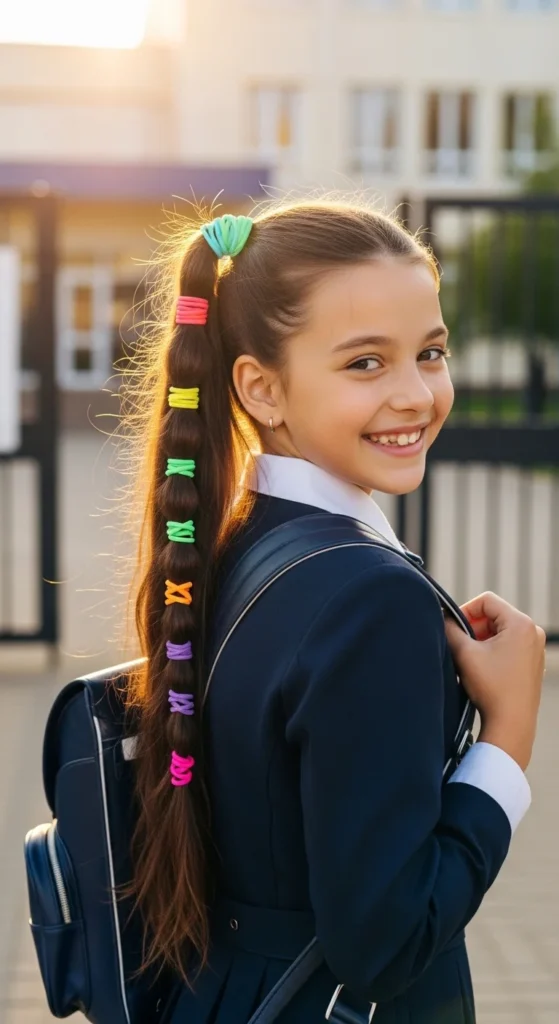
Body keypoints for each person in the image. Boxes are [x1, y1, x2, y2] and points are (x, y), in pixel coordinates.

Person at [122, 202, 545, 1023]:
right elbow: (384, 945)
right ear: (262, 389)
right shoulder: (370, 599)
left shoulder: (233, 545)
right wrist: (507, 742)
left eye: (430, 352)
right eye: (364, 364)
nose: (416, 394)